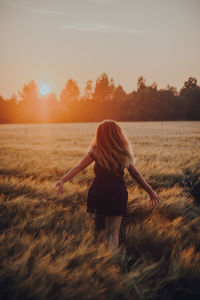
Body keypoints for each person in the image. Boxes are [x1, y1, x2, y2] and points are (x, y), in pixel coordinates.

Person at [55, 120, 161, 249]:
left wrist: (63, 180)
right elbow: (136, 175)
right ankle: (111, 260)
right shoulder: (123, 152)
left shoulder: (95, 151)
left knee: (99, 230)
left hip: (99, 191)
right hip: (117, 192)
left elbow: (79, 167)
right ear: (118, 134)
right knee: (113, 233)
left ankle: (99, 259)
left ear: (99, 134)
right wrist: (151, 191)